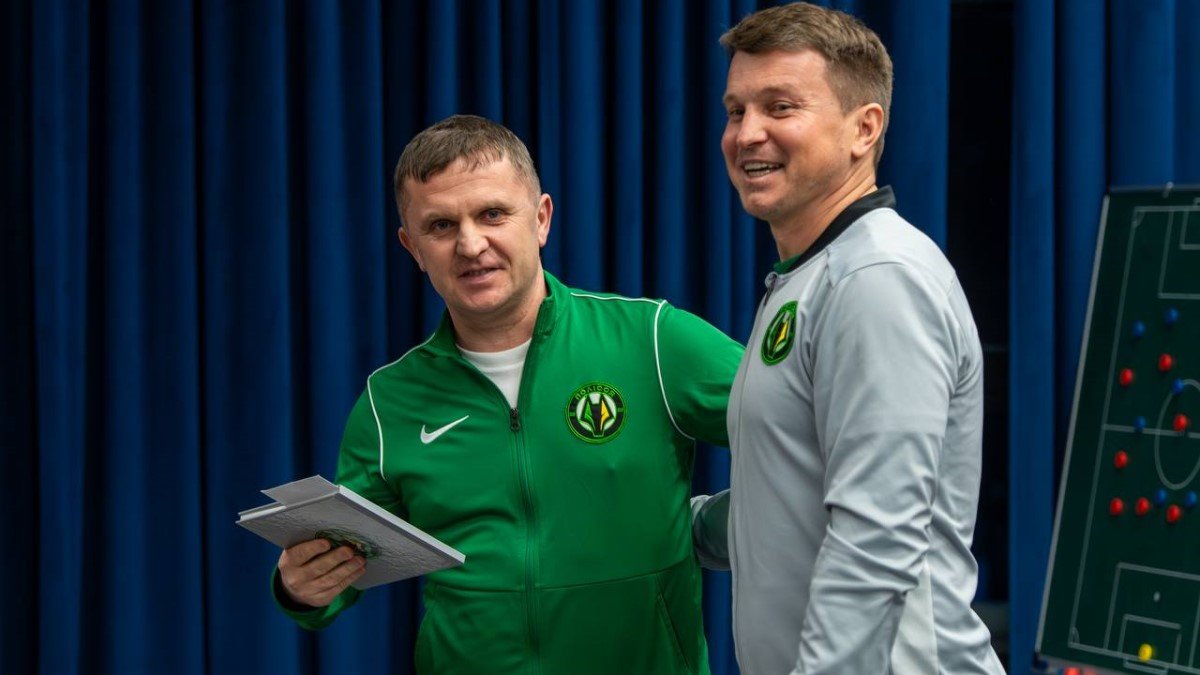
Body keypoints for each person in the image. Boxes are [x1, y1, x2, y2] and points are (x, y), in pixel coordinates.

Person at [272, 114, 743, 675]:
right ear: (412, 247)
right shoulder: (389, 399)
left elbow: (805, 434)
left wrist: (725, 525)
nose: (471, 244)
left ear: (541, 219)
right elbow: (343, 565)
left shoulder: (653, 340)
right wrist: (300, 586)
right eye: (441, 226)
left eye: (493, 214)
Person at [691, 3, 1006, 673]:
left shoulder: (876, 278)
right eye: (736, 110)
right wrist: (674, 523)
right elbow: (797, 501)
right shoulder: (813, 275)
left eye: (780, 107)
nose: (747, 134)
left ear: (865, 128)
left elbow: (876, 540)